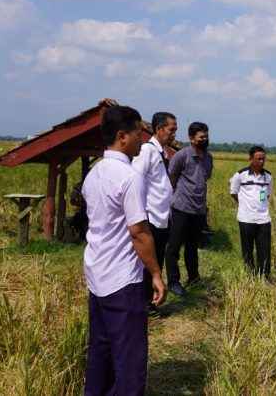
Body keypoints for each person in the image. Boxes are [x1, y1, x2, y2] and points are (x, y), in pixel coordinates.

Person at [82, 105, 167, 394]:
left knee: (101, 352)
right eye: (137, 134)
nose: (142, 140)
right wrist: (156, 274)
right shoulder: (129, 177)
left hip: (96, 275)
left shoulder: (93, 175)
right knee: (130, 361)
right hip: (122, 280)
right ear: (122, 136)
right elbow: (139, 232)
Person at [131, 112, 177, 315]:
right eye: (171, 130)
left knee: (156, 259)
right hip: (150, 215)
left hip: (162, 216)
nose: (174, 134)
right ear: (159, 129)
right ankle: (143, 305)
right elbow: (135, 180)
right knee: (148, 263)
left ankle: (151, 302)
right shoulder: (147, 152)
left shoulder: (163, 153)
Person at [165, 121, 213, 296]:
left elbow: (205, 178)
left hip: (198, 210)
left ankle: (193, 278)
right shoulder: (182, 156)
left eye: (206, 136)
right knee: (174, 247)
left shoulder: (208, 157)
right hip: (181, 208)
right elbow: (172, 176)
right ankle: (173, 282)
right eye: (201, 137)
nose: (205, 139)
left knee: (192, 247)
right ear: (192, 139)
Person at [229, 146, 273, 277]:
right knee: (247, 248)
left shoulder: (268, 176)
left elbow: (268, 195)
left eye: (263, 159)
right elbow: (233, 193)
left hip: (263, 218)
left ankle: (264, 275)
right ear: (250, 159)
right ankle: (250, 273)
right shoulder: (240, 175)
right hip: (246, 218)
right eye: (258, 158)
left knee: (264, 248)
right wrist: (243, 204)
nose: (261, 161)